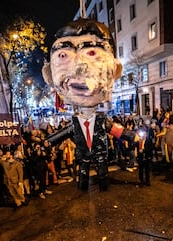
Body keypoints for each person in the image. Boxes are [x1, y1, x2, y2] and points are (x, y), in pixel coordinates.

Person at [42, 18, 133, 191]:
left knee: (102, 172)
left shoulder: (100, 120)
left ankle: (103, 186)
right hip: (83, 154)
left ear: (115, 70)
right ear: (48, 75)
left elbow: (113, 129)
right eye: (63, 55)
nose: (79, 66)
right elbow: (65, 133)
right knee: (83, 173)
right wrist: (49, 141)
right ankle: (83, 188)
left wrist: (130, 135)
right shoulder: (76, 122)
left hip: (100, 154)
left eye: (92, 53)